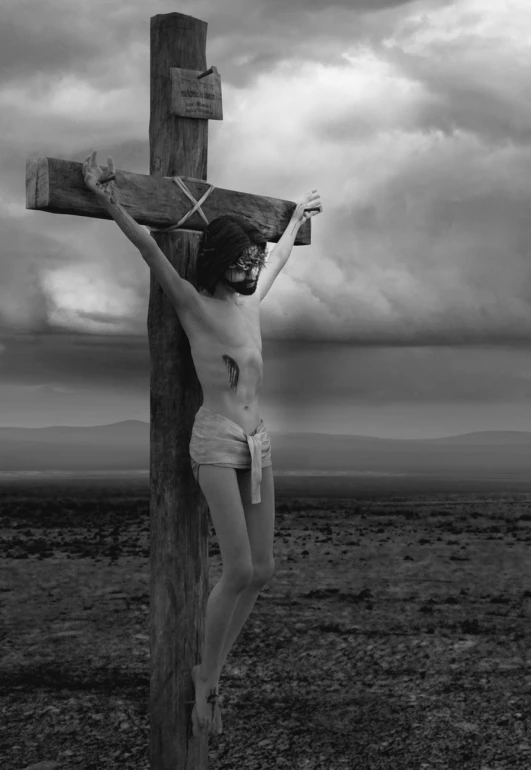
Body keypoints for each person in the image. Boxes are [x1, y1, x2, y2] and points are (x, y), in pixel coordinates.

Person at [82, 150, 322, 737]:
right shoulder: (196, 306)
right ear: (220, 261)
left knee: (262, 570)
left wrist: (294, 220)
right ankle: (206, 681)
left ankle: (212, 674)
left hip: (257, 444)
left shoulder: (249, 307)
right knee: (238, 566)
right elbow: (149, 249)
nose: (251, 269)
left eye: (253, 260)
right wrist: (106, 196)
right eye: (243, 260)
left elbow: (282, 260)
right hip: (216, 441)